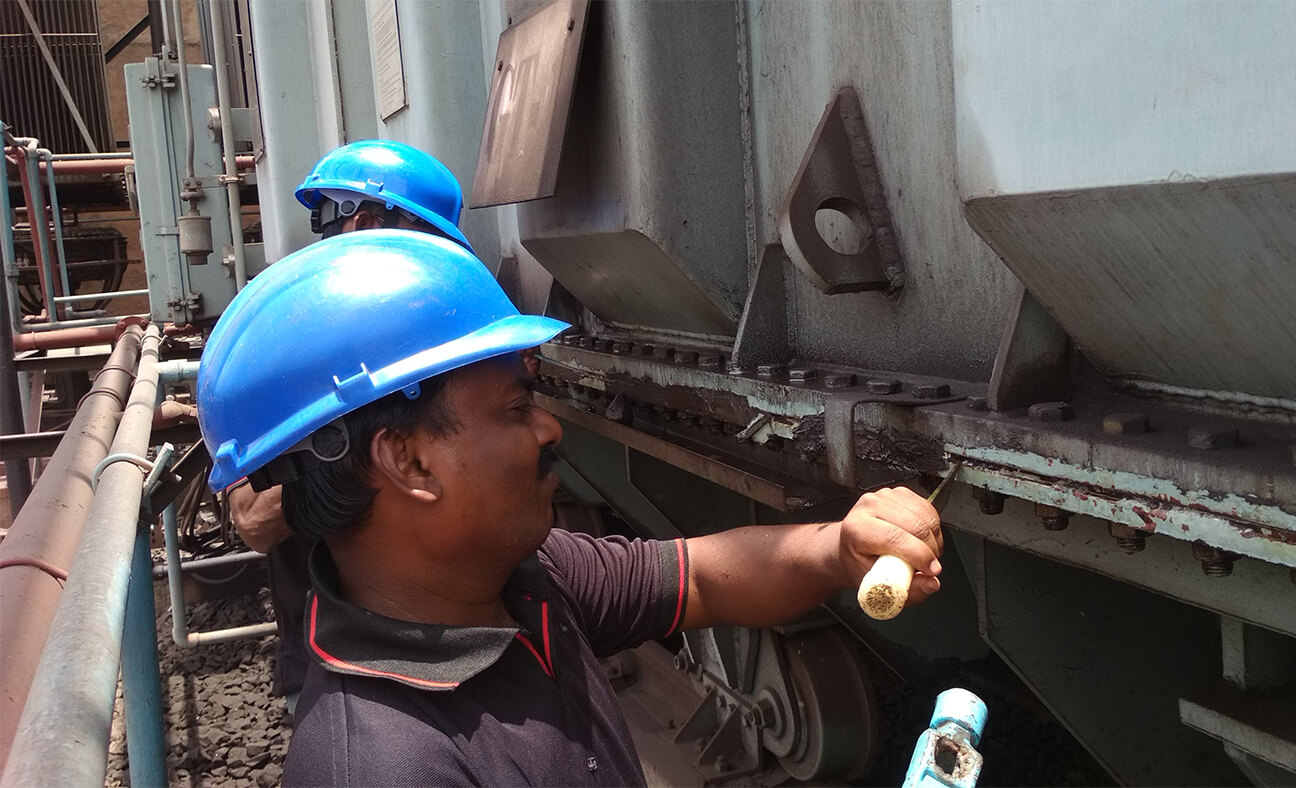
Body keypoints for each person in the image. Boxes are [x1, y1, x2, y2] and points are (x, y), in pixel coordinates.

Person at [198, 231, 945, 787]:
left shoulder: (525, 581)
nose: (550, 428)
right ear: (410, 459)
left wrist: (839, 548)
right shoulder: (381, 763)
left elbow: (703, 579)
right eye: (518, 408)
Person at [226, 139, 473, 711]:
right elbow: (253, 518)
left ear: (359, 219)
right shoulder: (291, 340)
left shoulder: (462, 336)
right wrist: (357, 462)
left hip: (454, 651)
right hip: (337, 668)